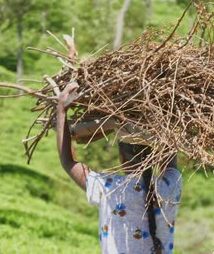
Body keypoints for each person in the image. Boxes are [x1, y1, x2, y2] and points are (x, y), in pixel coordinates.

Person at [55, 82, 182, 254]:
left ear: (122, 158)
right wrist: (168, 112)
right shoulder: (170, 187)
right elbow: (170, 153)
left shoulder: (110, 187)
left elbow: (67, 161)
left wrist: (61, 110)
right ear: (154, 156)